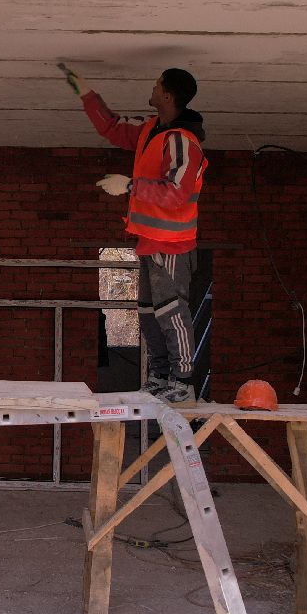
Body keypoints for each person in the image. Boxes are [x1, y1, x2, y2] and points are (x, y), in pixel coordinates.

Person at [64, 65, 207, 404]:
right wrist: (87, 95)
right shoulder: (150, 130)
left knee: (172, 311)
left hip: (172, 244)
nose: (152, 88)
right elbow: (113, 128)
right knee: (148, 312)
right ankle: (160, 376)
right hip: (150, 241)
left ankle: (183, 381)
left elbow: (177, 193)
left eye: (157, 85)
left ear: (167, 96)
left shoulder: (182, 141)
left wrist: (129, 185)